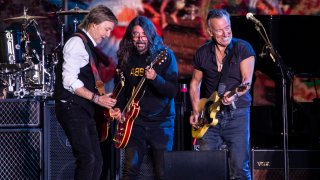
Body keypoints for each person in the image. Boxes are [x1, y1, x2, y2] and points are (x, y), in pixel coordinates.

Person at [54, 5, 121, 180]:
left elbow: (89, 81)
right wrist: (97, 99)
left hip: (84, 108)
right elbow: (69, 81)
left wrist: (103, 101)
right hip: (72, 108)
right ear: (93, 24)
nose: (107, 35)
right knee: (87, 159)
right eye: (106, 29)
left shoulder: (87, 45)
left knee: (97, 161)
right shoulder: (76, 43)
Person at [189, 9, 255, 180]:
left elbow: (246, 82)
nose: (225, 33)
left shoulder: (242, 48)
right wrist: (196, 110)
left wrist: (234, 95)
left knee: (239, 170)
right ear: (210, 31)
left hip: (237, 115)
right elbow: (195, 83)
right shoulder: (202, 53)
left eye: (228, 27)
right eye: (219, 30)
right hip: (209, 118)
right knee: (208, 169)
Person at [115, 16, 178, 180]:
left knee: (163, 173)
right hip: (134, 123)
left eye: (144, 35)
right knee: (130, 171)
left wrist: (156, 78)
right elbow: (122, 89)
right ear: (130, 37)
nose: (140, 39)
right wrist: (119, 110)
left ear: (151, 35)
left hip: (161, 124)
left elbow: (172, 90)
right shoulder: (126, 57)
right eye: (136, 35)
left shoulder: (164, 56)